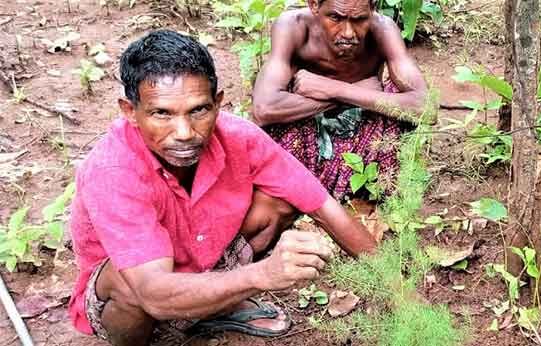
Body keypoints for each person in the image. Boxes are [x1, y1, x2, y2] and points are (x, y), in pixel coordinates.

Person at [67, 30, 378, 346]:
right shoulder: (113, 169)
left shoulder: (237, 136)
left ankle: (215, 305)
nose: (185, 133)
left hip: (202, 260)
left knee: (279, 201)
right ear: (130, 111)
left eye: (198, 110)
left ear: (217, 103)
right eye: (162, 113)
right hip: (142, 293)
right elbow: (152, 292)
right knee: (127, 284)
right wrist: (262, 275)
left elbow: (321, 204)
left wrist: (396, 289)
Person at [252, 0, 430, 198]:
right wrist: (351, 93)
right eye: (335, 17)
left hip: (364, 140)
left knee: (398, 96)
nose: (348, 33)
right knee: (276, 118)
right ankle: (305, 192)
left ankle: (371, 191)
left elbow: (425, 108)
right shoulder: (293, 26)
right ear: (314, 5)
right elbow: (264, 109)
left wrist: (335, 90)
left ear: (372, 9)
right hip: (308, 138)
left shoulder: (383, 29)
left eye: (359, 19)